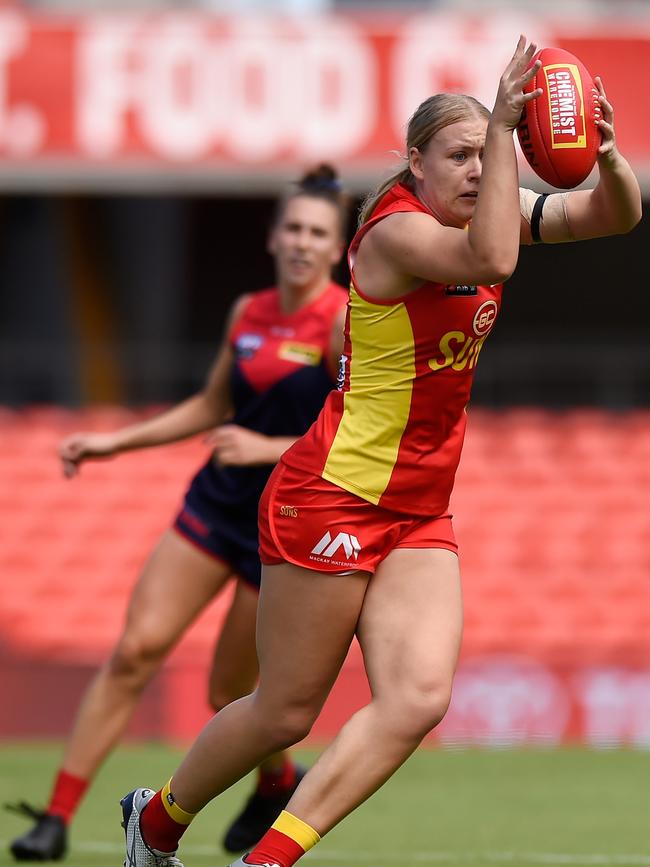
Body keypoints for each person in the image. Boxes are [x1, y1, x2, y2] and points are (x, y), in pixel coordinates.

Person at [117, 36, 642, 867]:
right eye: (459, 156)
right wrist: (508, 130)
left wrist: (604, 155)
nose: (476, 169)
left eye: (483, 154)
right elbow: (495, 256)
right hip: (331, 491)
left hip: (418, 508)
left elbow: (615, 214)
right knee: (285, 711)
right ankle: (154, 824)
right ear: (414, 163)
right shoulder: (395, 234)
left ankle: (268, 860)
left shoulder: (482, 213)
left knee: (418, 699)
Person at [7, 165, 351, 862]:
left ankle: (276, 779)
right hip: (216, 504)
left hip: (282, 524)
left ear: (338, 245)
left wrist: (265, 445)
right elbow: (209, 403)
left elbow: (355, 428)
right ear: (271, 235)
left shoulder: (343, 319)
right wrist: (115, 441)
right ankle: (56, 815)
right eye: (291, 228)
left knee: (230, 688)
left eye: (316, 232)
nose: (301, 242)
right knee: (135, 650)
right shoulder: (248, 311)